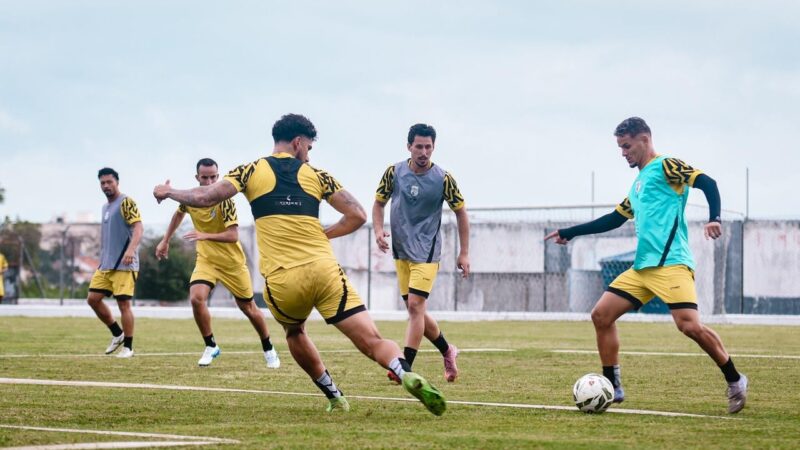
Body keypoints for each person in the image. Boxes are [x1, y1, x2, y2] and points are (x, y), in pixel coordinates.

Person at [153, 113, 446, 415]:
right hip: (325, 271)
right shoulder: (317, 175)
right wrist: (324, 233)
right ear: (297, 142)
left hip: (283, 280)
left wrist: (169, 192)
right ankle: (403, 370)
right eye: (308, 147)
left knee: (295, 333)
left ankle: (335, 397)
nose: (308, 154)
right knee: (372, 341)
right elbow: (357, 214)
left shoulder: (250, 170)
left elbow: (207, 197)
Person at [544, 117, 748, 414]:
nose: (623, 153)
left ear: (644, 139)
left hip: (671, 264)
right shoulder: (637, 184)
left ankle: (735, 379)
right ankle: (613, 385)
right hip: (642, 270)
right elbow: (614, 218)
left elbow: (707, 182)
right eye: (620, 147)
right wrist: (569, 232)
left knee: (688, 326)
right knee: (601, 315)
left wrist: (714, 217)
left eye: (626, 146)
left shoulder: (666, 166)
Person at [156, 158, 280, 368]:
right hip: (207, 261)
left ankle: (268, 347)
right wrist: (165, 240)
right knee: (196, 298)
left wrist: (204, 235)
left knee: (248, 308)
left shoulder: (225, 200)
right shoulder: (191, 198)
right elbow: (179, 214)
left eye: (214, 176)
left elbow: (233, 236)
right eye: (205, 177)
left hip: (232, 263)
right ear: (198, 178)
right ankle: (211, 345)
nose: (210, 181)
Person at [372, 123, 470, 384]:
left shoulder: (443, 179)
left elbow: (461, 211)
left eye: (428, 147)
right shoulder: (394, 173)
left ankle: (403, 367)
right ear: (409, 147)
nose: (424, 151)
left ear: (433, 147)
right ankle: (448, 350)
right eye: (419, 146)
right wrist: (379, 230)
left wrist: (464, 253)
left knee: (415, 307)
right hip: (401, 251)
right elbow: (379, 203)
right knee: (417, 312)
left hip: (427, 252)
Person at [87, 167, 143, 358]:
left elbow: (138, 228)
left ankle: (128, 347)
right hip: (106, 265)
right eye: (102, 183)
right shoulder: (105, 207)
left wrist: (130, 250)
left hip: (125, 265)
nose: (106, 185)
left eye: (109, 182)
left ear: (117, 182)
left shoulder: (126, 202)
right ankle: (117, 333)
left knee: (123, 305)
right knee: (93, 299)